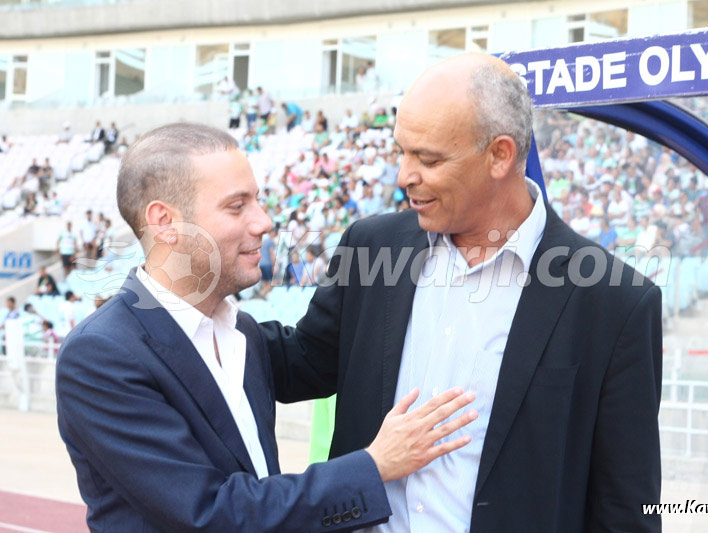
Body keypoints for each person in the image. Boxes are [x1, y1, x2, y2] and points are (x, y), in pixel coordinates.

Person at [260, 53, 663, 532]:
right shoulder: (371, 246)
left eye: (428, 159)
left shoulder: (613, 300)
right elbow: (301, 360)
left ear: (500, 155)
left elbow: (627, 506)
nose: (404, 175)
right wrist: (178, 311)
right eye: (401, 152)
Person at [55, 123, 477, 532]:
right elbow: (213, 514)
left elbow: (324, 354)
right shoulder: (101, 356)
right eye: (237, 206)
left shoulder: (243, 333)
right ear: (165, 222)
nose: (264, 222)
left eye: (257, 200)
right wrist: (375, 464)